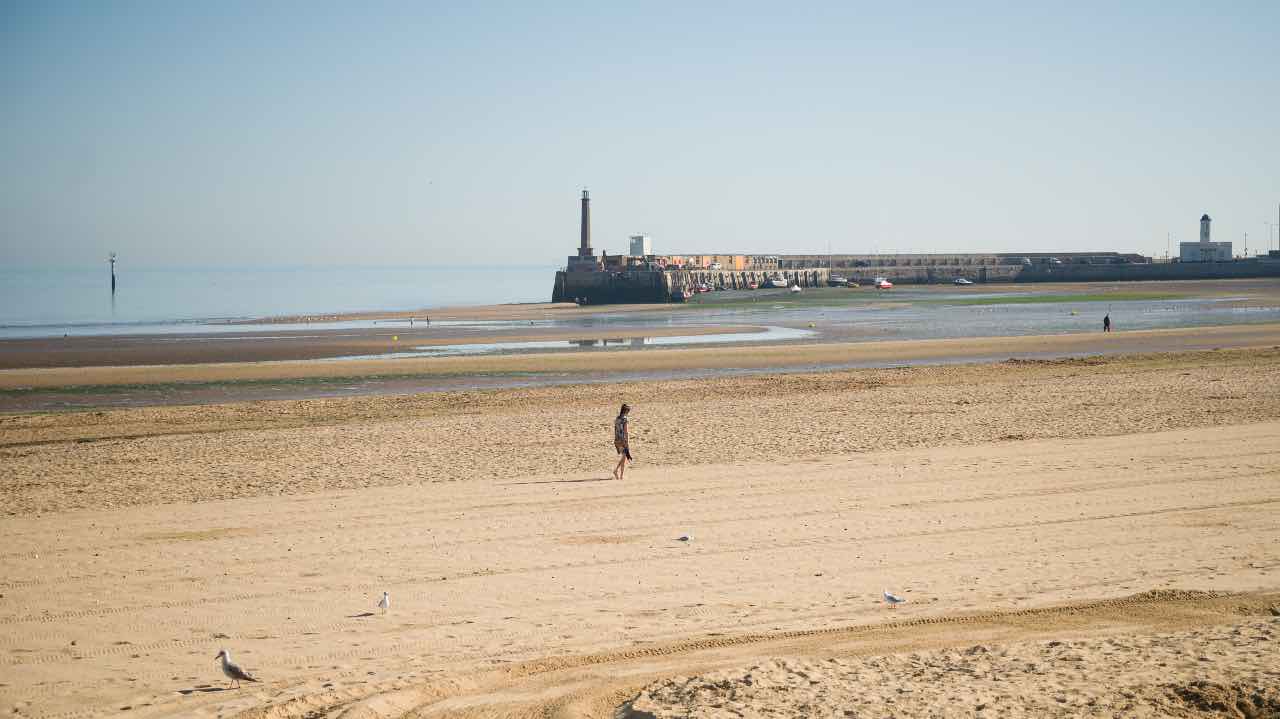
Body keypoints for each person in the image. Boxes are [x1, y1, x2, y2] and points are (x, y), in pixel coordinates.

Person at [613, 403, 632, 480]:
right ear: (626, 411)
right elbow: (626, 431)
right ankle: (616, 471)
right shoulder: (625, 419)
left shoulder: (617, 418)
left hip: (617, 439)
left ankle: (621, 475)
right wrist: (627, 442)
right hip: (623, 440)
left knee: (623, 457)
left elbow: (615, 429)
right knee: (624, 456)